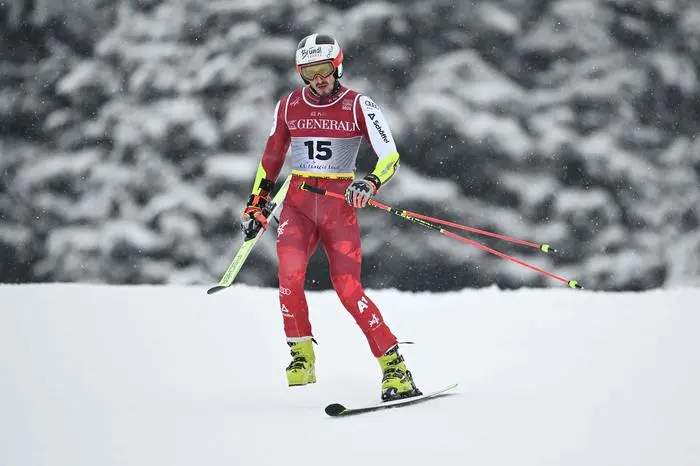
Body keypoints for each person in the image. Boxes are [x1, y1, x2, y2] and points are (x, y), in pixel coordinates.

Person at [241, 33, 421, 401]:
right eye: (308, 73)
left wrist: (369, 183)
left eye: (323, 70)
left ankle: (395, 367)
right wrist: (257, 201)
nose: (317, 79)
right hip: (298, 204)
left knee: (347, 289)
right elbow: (272, 155)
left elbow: (390, 156)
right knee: (289, 277)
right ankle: (301, 356)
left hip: (338, 205)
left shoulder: (359, 105)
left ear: (337, 66)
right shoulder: (289, 105)